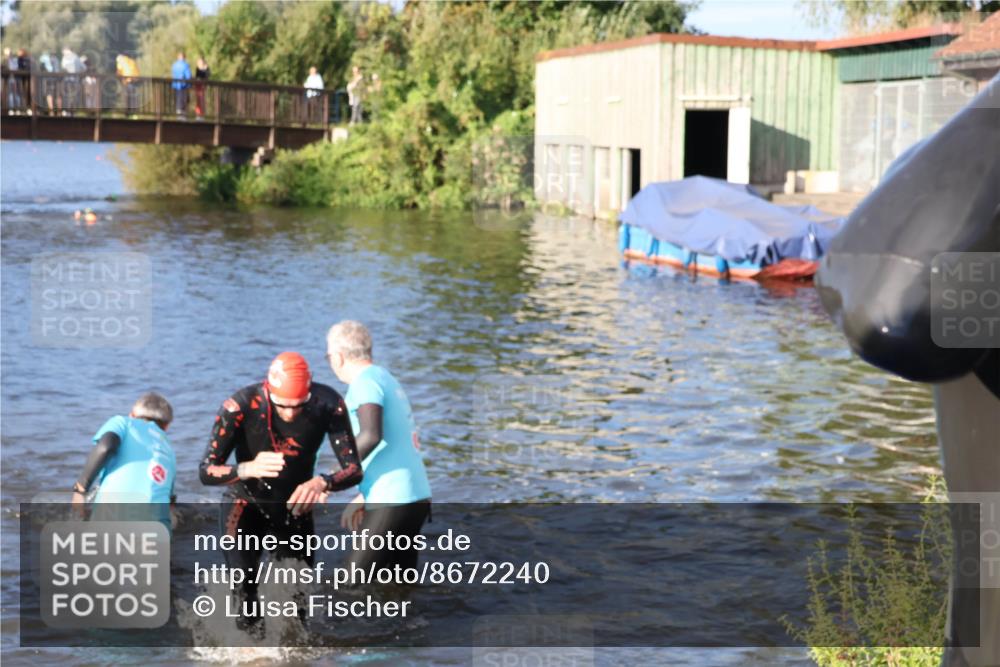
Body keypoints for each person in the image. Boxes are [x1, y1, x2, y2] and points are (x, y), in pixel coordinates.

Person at [199, 351, 362, 632]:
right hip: (245, 505)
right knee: (245, 587)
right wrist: (246, 469)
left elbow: (354, 469)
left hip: (294, 509)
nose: (290, 412)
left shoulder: (328, 404)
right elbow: (206, 471)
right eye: (283, 405)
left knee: (297, 601)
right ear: (268, 389)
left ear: (309, 394)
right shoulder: (240, 406)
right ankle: (249, 656)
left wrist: (322, 482)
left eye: (299, 406)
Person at [326, 321, 432, 571]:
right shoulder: (385, 378)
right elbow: (397, 444)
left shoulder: (365, 382)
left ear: (338, 357)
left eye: (328, 356)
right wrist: (364, 494)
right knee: (397, 588)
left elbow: (371, 435)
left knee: (348, 586)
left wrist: (331, 478)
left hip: (393, 499)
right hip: (414, 497)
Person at [71, 393, 177, 530]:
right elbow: (170, 504)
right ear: (167, 426)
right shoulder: (169, 451)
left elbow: (105, 447)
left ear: (132, 414)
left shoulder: (123, 423)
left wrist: (80, 490)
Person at [171, 51, 191, 116]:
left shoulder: (174, 65)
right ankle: (183, 113)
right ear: (184, 57)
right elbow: (188, 76)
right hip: (183, 85)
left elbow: (173, 74)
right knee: (184, 99)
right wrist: (189, 84)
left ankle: (178, 111)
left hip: (176, 85)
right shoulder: (185, 65)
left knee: (178, 98)